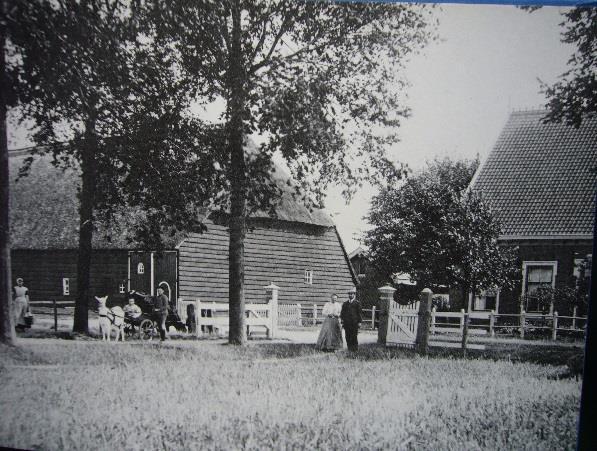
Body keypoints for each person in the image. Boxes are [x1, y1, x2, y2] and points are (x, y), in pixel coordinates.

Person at [340, 286, 362, 352]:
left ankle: (355, 349)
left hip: (354, 323)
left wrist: (359, 322)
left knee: (354, 336)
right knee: (347, 336)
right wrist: (342, 320)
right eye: (349, 294)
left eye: (352, 294)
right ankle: (349, 348)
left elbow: (359, 313)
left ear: (354, 295)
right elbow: (342, 313)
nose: (350, 295)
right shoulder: (345, 304)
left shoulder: (357, 303)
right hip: (347, 323)